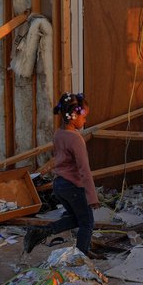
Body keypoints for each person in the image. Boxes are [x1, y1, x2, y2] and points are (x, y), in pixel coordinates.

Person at [24, 92, 104, 260]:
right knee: (87, 222)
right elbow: (84, 169)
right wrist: (92, 197)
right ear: (74, 116)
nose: (85, 121)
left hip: (60, 185)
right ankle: (80, 258)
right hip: (73, 186)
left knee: (77, 219)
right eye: (84, 117)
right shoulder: (75, 139)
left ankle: (42, 232)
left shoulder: (58, 134)